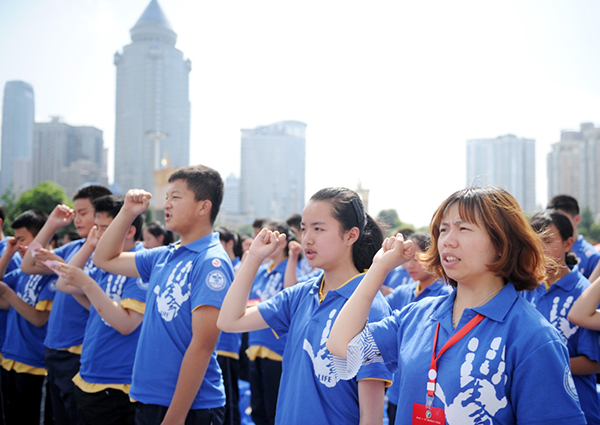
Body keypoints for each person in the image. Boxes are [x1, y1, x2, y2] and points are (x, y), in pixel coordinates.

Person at [327, 186, 586, 425]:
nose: (448, 241)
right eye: (443, 229)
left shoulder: (534, 337)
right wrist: (378, 268)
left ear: (501, 243)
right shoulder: (417, 316)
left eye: (463, 229)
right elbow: (340, 346)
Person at [218, 187, 392, 424]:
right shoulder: (303, 293)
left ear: (351, 235)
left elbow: (370, 417)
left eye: (318, 228)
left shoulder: (371, 308)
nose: (307, 238)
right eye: (303, 228)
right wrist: (254, 258)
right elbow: (229, 321)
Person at [93, 165, 234, 425]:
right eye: (166, 197)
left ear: (204, 207)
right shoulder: (165, 254)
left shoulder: (210, 262)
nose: (166, 204)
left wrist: (175, 417)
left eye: (176, 197)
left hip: (188, 408)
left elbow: (202, 346)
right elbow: (104, 258)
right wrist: (127, 212)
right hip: (151, 398)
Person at [21, 184, 112, 425]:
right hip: (53, 350)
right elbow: (28, 264)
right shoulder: (74, 247)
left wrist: (59, 264)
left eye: (83, 212)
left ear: (101, 213)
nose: (77, 218)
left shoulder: (106, 254)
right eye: (76, 212)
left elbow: (96, 300)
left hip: (78, 352)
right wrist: (51, 224)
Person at [54, 194, 147, 425]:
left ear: (128, 231)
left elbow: (126, 324)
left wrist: (87, 284)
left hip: (118, 383)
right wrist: (90, 245)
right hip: (92, 376)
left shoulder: (140, 263)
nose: (98, 233)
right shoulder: (107, 264)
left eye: (105, 228)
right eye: (96, 228)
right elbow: (63, 284)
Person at [522, 210, 600, 425]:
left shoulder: (584, 294)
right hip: (532, 408)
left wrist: (539, 362)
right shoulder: (524, 289)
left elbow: (594, 363)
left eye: (547, 241)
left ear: (568, 244)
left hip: (577, 409)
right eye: (534, 242)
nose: (540, 249)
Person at [383, 232, 451, 424]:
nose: (409, 265)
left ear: (432, 254)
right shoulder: (403, 293)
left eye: (416, 258)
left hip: (432, 395)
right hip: (399, 391)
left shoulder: (446, 295)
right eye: (407, 259)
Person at [0, 209, 56, 425]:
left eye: (22, 239)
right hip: (10, 360)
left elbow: (39, 319)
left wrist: (8, 293)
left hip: (34, 365)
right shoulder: (23, 271)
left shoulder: (50, 273)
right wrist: (8, 253)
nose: (19, 245)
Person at [245, 221, 296, 425]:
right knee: (257, 408)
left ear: (282, 242)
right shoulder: (261, 270)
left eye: (268, 237)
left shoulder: (290, 267)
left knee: (274, 410)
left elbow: (290, 297)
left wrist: (292, 258)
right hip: (255, 344)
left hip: (277, 349)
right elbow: (245, 301)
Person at [547, 194, 600, 279]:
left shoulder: (592, 257)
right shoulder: (546, 253)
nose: (556, 226)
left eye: (562, 220)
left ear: (577, 219)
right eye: (552, 220)